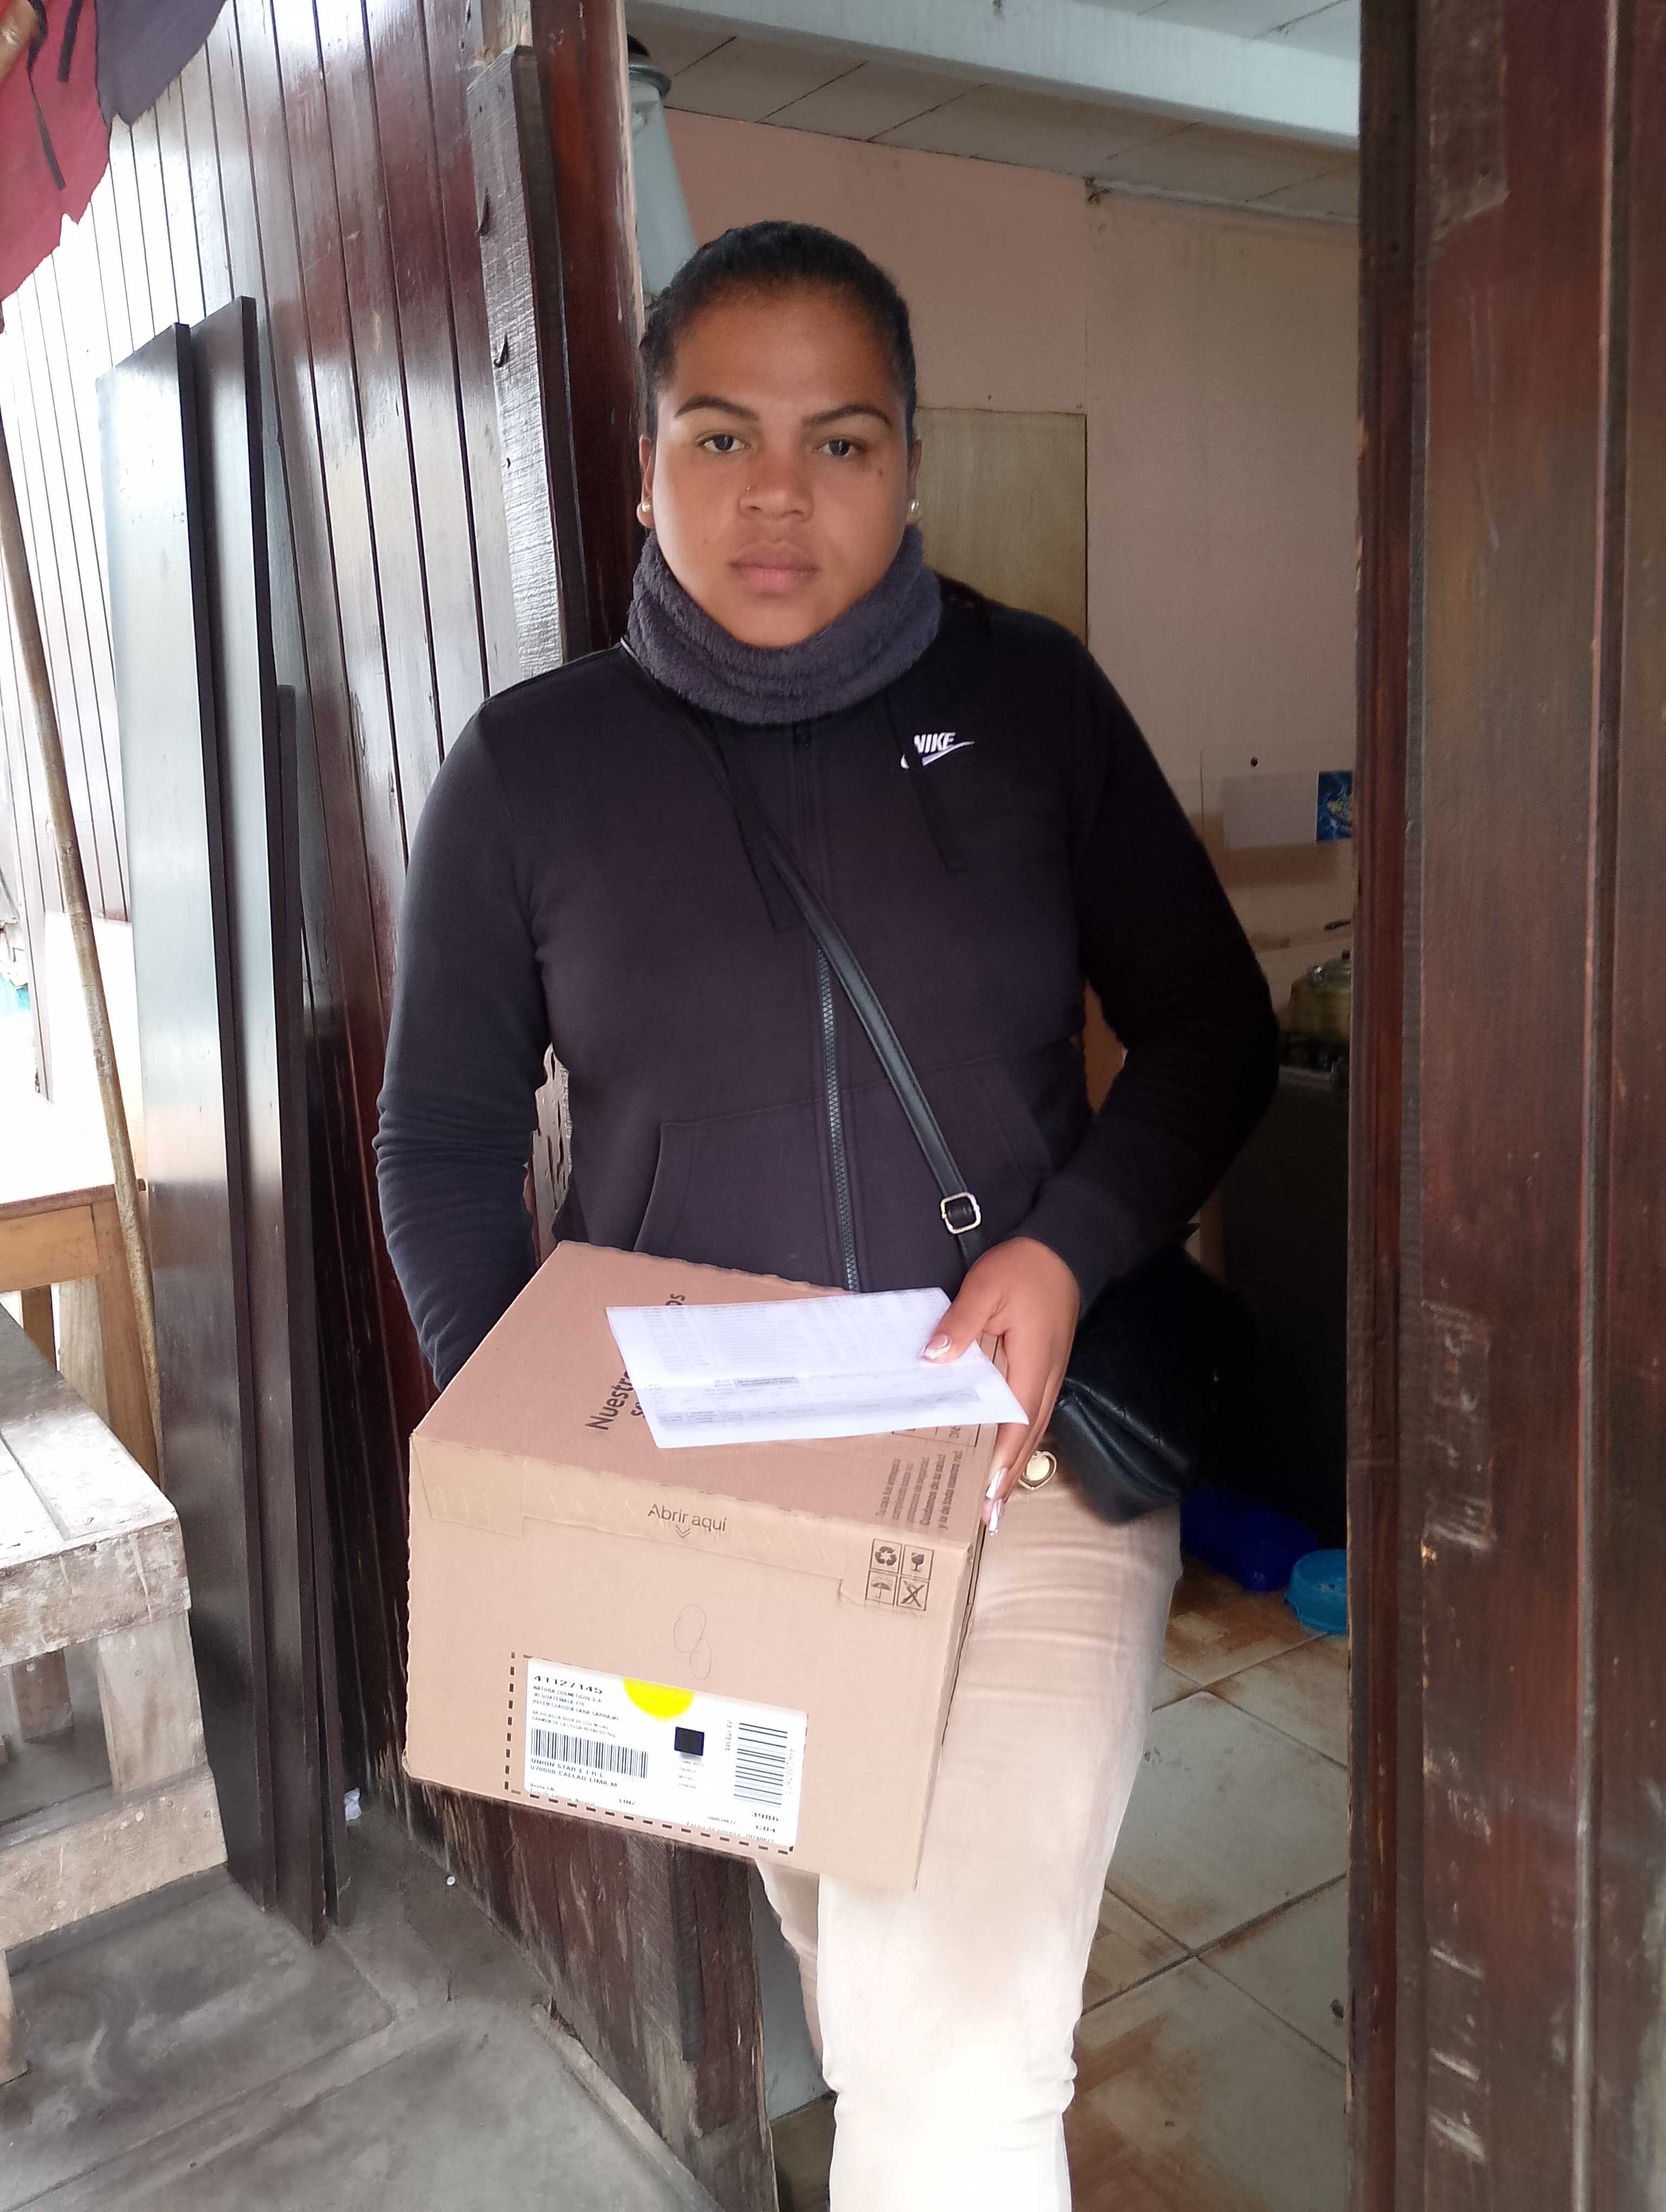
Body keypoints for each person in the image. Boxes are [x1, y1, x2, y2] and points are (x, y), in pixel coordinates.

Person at [376, 220, 1277, 2212]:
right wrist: (555, 1469)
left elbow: (1214, 1024)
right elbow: (438, 1144)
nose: (777, 494)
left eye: (841, 442)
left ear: (913, 465)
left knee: (950, 2058)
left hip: (1024, 1470)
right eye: (721, 436)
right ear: (644, 470)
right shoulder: (530, 774)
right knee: (865, 1984)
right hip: (735, 1526)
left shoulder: (1033, 702)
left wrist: (1066, 1244)